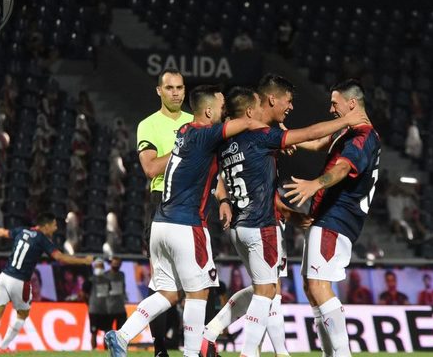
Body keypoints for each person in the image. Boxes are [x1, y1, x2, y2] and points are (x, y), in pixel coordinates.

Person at [201, 82, 368, 357]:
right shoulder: (264, 137)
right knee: (268, 292)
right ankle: (251, 352)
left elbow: (226, 178)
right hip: (261, 224)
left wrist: (224, 200)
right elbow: (310, 134)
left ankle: (219, 336)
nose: (290, 107)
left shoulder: (227, 141)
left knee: (264, 288)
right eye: (287, 101)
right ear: (259, 106)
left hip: (240, 225)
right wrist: (349, 120)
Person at [104, 85, 268, 357]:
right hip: (186, 225)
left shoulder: (184, 132)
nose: (224, 108)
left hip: (161, 224)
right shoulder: (206, 134)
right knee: (199, 293)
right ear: (207, 110)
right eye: (221, 104)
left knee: (168, 294)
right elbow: (248, 122)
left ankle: (121, 336)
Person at [283, 79, 381, 357]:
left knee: (318, 285)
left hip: (337, 217)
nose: (331, 108)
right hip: (327, 216)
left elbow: (342, 168)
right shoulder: (347, 133)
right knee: (311, 286)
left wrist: (316, 184)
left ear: (352, 104)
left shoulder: (362, 136)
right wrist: (286, 136)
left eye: (335, 103)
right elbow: (317, 142)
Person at [0, 213, 93, 353]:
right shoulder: (42, 239)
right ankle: (3, 347)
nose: (55, 228)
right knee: (22, 315)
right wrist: (83, 260)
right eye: (54, 225)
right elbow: (61, 258)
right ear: (46, 226)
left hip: (4, 277)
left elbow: (3, 233)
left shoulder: (21, 230)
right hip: (19, 281)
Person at [136, 68, 194, 357]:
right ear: (159, 90)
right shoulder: (148, 125)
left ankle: (199, 347)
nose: (176, 92)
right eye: (169, 87)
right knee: (161, 282)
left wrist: (221, 198)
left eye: (180, 87)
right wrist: (182, 148)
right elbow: (150, 168)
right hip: (162, 201)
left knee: (201, 281)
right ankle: (160, 348)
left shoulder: (194, 122)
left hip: (195, 202)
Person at [82, 258, 111, 350]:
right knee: (94, 332)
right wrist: (89, 304)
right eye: (97, 266)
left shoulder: (107, 280)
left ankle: (106, 350)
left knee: (107, 332)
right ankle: (93, 350)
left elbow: (110, 293)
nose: (99, 268)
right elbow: (83, 293)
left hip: (106, 310)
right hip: (94, 310)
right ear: (94, 267)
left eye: (101, 266)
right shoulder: (90, 280)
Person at [106, 257, 127, 331]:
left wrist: (125, 297)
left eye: (119, 263)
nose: (117, 265)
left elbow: (123, 288)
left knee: (121, 333)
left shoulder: (122, 275)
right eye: (115, 263)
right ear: (111, 263)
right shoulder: (105, 275)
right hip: (109, 309)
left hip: (120, 309)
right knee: (107, 333)